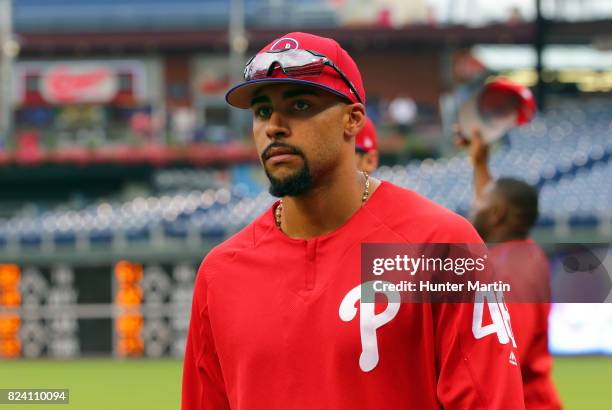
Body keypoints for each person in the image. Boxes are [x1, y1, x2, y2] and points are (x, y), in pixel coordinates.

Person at [182, 32, 524, 409]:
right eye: (262, 111)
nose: (274, 126)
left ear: (353, 119)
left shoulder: (442, 244)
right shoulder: (220, 273)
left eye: (299, 105)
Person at [460, 129, 563, 410]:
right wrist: (480, 164)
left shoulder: (511, 273)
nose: (473, 207)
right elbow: (489, 200)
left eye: (480, 204)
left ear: (496, 214)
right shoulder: (520, 252)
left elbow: (506, 357)